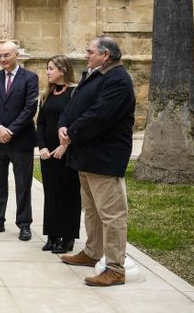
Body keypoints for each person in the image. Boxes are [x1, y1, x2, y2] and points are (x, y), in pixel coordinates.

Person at [58, 36, 135, 287]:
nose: (86, 55)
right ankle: (92, 252)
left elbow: (100, 115)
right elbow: (74, 104)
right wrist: (63, 125)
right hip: (86, 154)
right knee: (91, 209)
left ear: (106, 55)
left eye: (90, 51)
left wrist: (72, 133)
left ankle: (115, 268)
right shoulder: (96, 74)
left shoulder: (118, 80)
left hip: (104, 156)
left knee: (111, 215)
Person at [0, 41, 39, 241]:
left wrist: (11, 130)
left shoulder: (30, 78)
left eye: (6, 55)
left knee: (23, 184)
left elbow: (30, 108)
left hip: (21, 141)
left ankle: (24, 223)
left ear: (17, 55)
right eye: (0, 55)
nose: (2, 59)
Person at [36, 55, 80, 254]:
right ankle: (52, 234)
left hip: (66, 151)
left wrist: (65, 146)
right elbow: (41, 123)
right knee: (51, 194)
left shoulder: (74, 93)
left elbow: (77, 122)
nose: (47, 72)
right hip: (48, 153)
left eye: (51, 68)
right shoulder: (46, 95)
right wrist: (42, 147)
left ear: (63, 70)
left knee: (68, 194)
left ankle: (68, 236)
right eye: (47, 68)